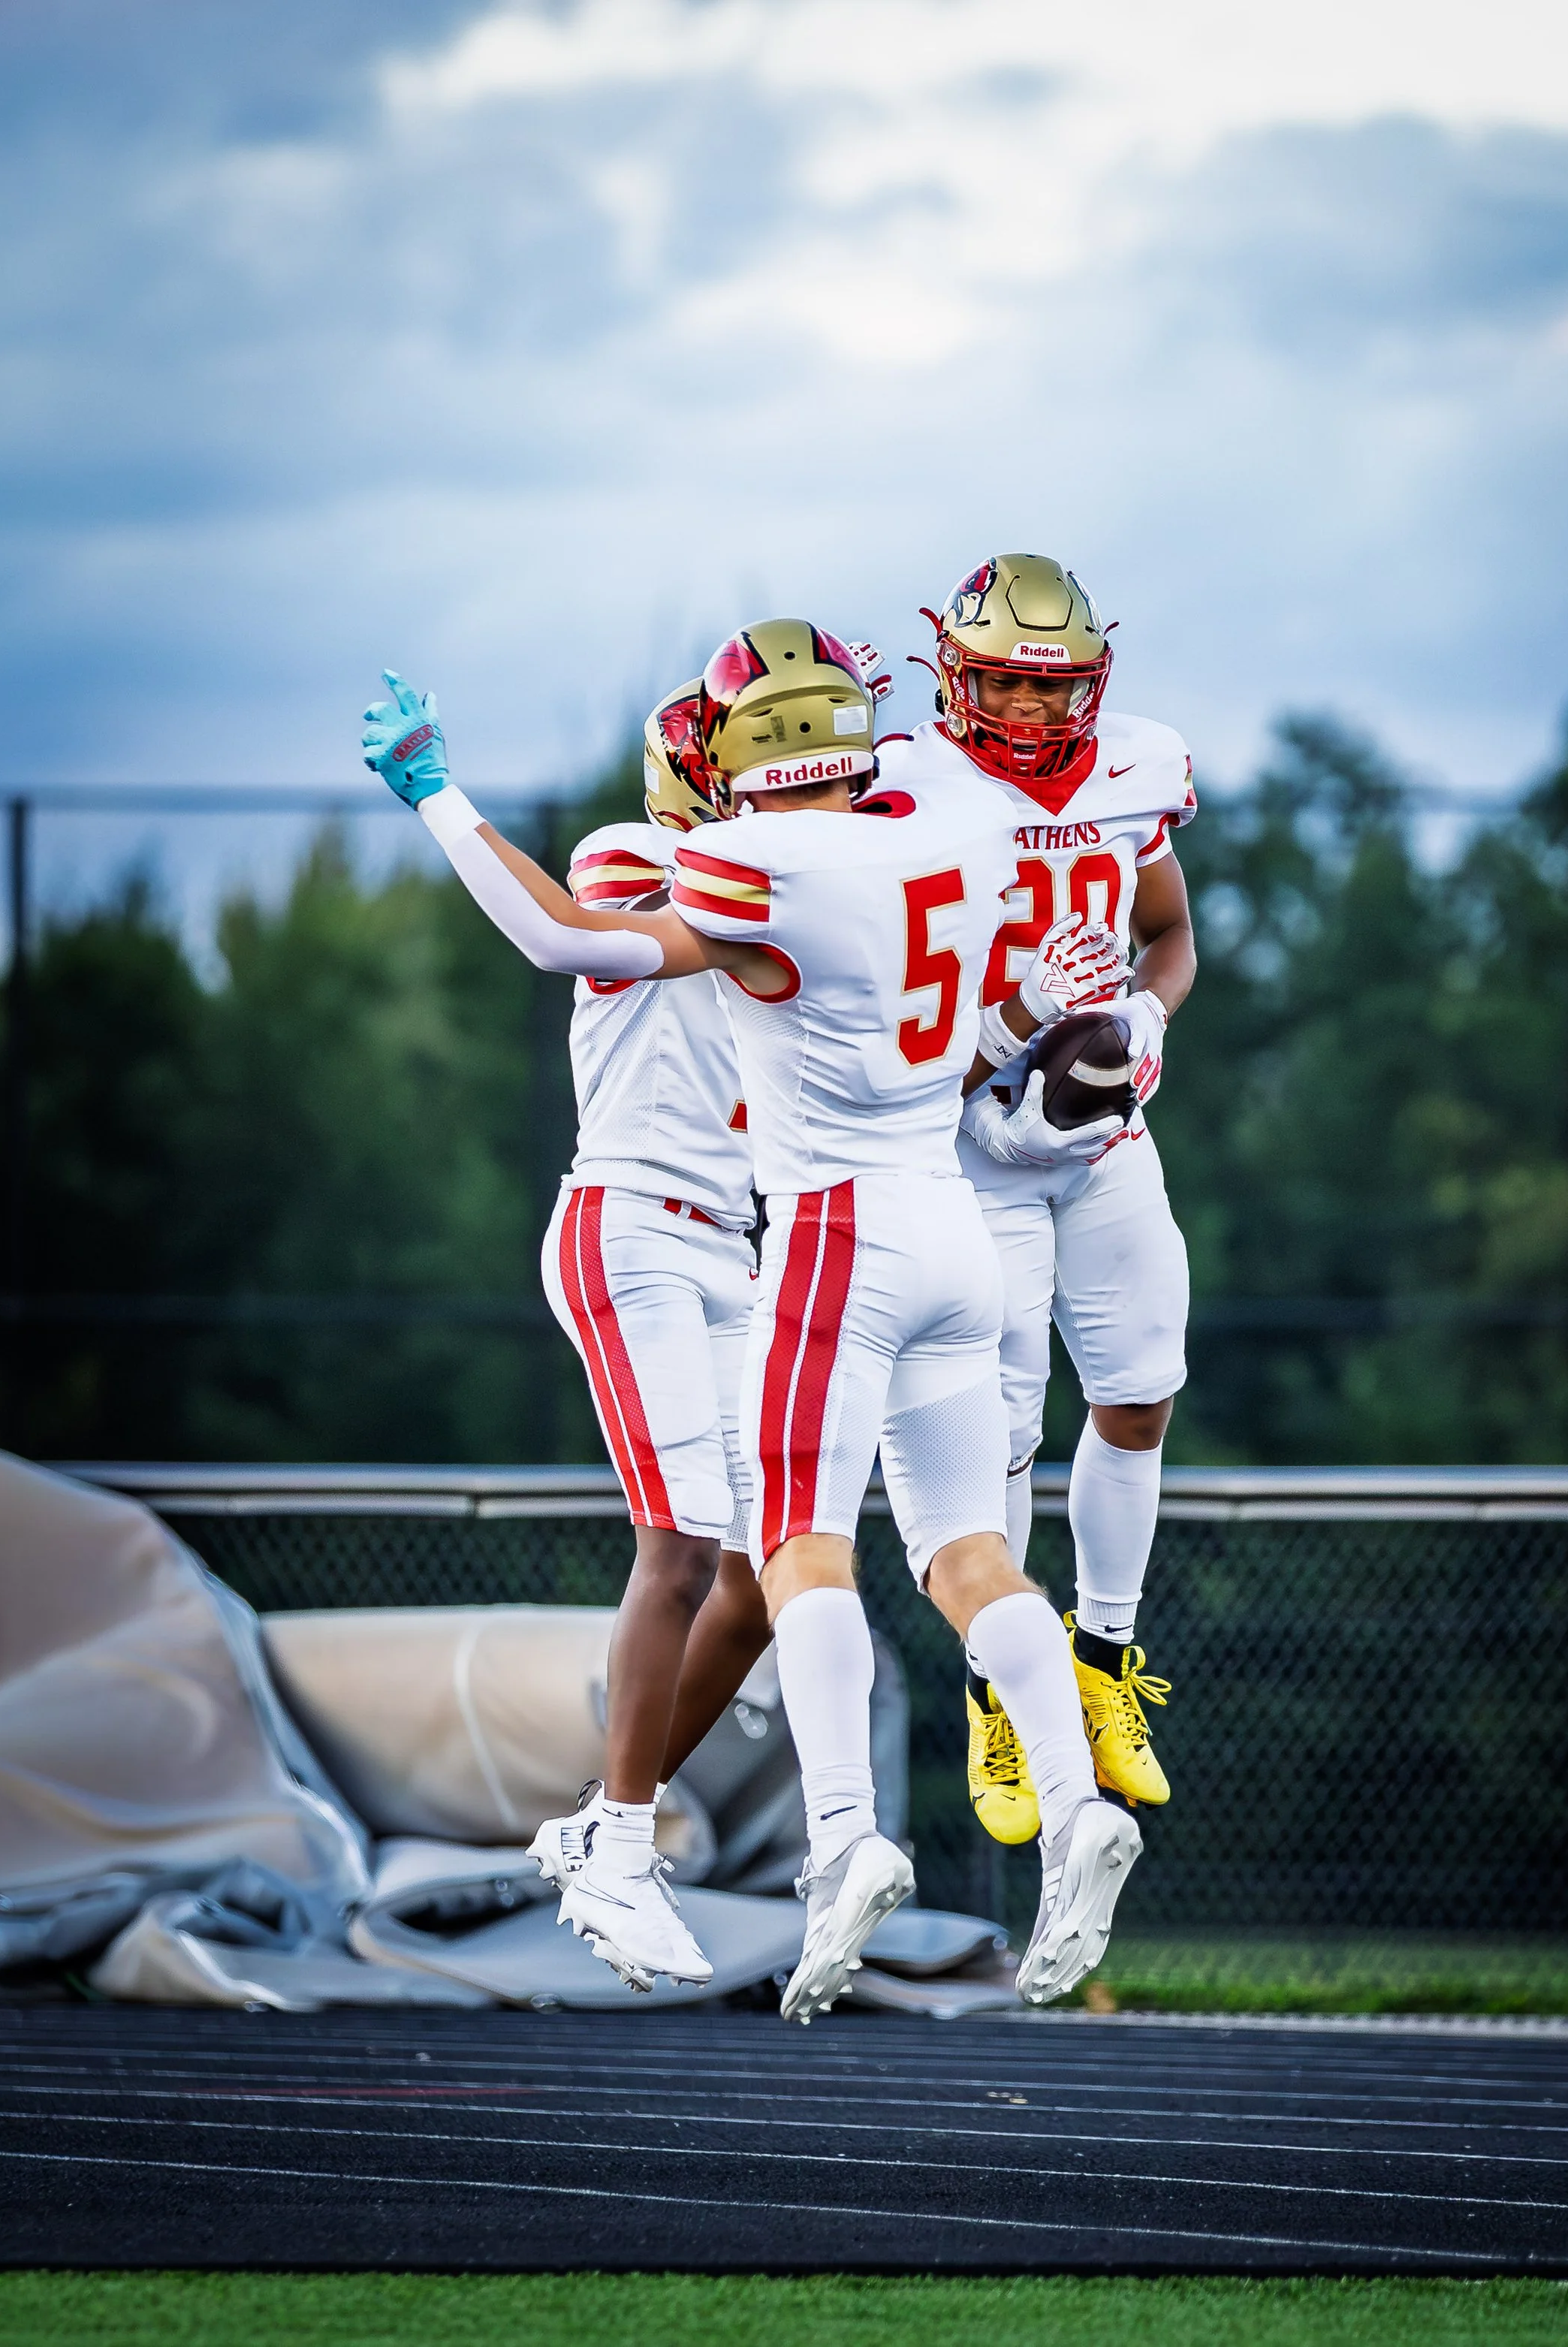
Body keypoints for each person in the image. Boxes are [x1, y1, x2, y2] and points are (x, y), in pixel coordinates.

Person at [363, 623, 1141, 2022]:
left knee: (769, 1561)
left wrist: (438, 792)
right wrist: (1051, 1008)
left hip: (810, 1239)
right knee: (752, 1549)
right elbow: (946, 990)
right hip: (696, 1226)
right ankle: (623, 1839)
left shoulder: (766, 863)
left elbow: (574, 929)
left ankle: (763, 1833)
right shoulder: (921, 847)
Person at [362, 674, 771, 1993]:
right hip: (633, 1224)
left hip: (736, 1245)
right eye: (796, 753)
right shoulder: (642, 856)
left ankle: (609, 1817)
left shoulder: (817, 885)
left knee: (771, 1579)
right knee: (685, 1541)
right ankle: (627, 1848)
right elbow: (563, 937)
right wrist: (439, 796)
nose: (823, 780)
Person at [876, 554, 1197, 1839]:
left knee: (1139, 1394)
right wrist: (1019, 1015)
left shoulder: (1137, 769)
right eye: (1003, 683)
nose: (1024, 712)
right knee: (999, 1435)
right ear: (956, 674)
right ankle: (999, 1693)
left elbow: (1168, 935)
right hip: (969, 1144)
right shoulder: (904, 789)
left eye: (1050, 686)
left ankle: (1103, 1660)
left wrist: (1146, 1017)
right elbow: (882, 1000)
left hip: (1104, 1134)